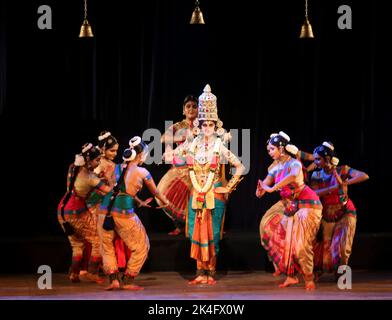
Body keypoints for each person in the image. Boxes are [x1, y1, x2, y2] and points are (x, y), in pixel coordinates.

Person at [168, 84, 245, 285]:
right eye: (204, 125)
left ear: (215, 126)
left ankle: (210, 273)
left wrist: (228, 188)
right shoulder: (192, 144)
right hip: (197, 194)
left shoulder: (219, 145)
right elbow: (169, 154)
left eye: (211, 125)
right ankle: (199, 272)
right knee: (196, 232)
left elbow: (239, 166)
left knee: (213, 234)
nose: (207, 128)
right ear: (199, 126)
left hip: (215, 194)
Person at [99, 136, 170, 290]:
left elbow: (118, 189)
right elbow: (156, 192)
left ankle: (113, 280)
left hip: (104, 212)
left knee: (107, 246)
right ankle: (128, 280)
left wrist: (138, 200)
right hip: (124, 214)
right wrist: (167, 203)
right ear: (140, 155)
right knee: (142, 246)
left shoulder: (115, 168)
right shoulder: (143, 172)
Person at [257, 131, 322, 290]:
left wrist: (273, 188)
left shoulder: (294, 163)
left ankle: (308, 277)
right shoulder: (274, 166)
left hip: (307, 203)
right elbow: (267, 180)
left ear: (281, 148)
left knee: (300, 244)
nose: (270, 152)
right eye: (268, 150)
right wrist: (261, 189)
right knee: (269, 227)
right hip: (289, 203)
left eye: (272, 149)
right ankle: (290, 275)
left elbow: (293, 176)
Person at [310, 142, 369, 278]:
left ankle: (342, 277)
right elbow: (314, 193)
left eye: (318, 159)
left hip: (345, 212)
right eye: (314, 159)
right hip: (327, 215)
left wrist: (344, 183)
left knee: (342, 247)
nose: (315, 162)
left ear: (328, 159)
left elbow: (364, 176)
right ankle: (318, 272)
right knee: (325, 250)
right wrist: (333, 188)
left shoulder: (343, 170)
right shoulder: (316, 175)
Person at [57, 143, 112, 283]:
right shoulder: (89, 177)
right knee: (98, 240)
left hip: (62, 210)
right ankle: (92, 272)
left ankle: (74, 274)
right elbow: (108, 191)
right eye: (97, 160)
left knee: (77, 243)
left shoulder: (73, 168)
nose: (99, 162)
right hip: (76, 211)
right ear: (88, 160)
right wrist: (110, 180)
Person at [157, 95, 198, 235]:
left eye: (194, 106)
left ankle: (203, 227)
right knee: (165, 194)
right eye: (188, 106)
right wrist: (181, 138)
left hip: (200, 167)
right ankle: (180, 226)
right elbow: (163, 139)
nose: (191, 109)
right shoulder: (178, 126)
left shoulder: (204, 125)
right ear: (183, 110)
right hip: (181, 168)